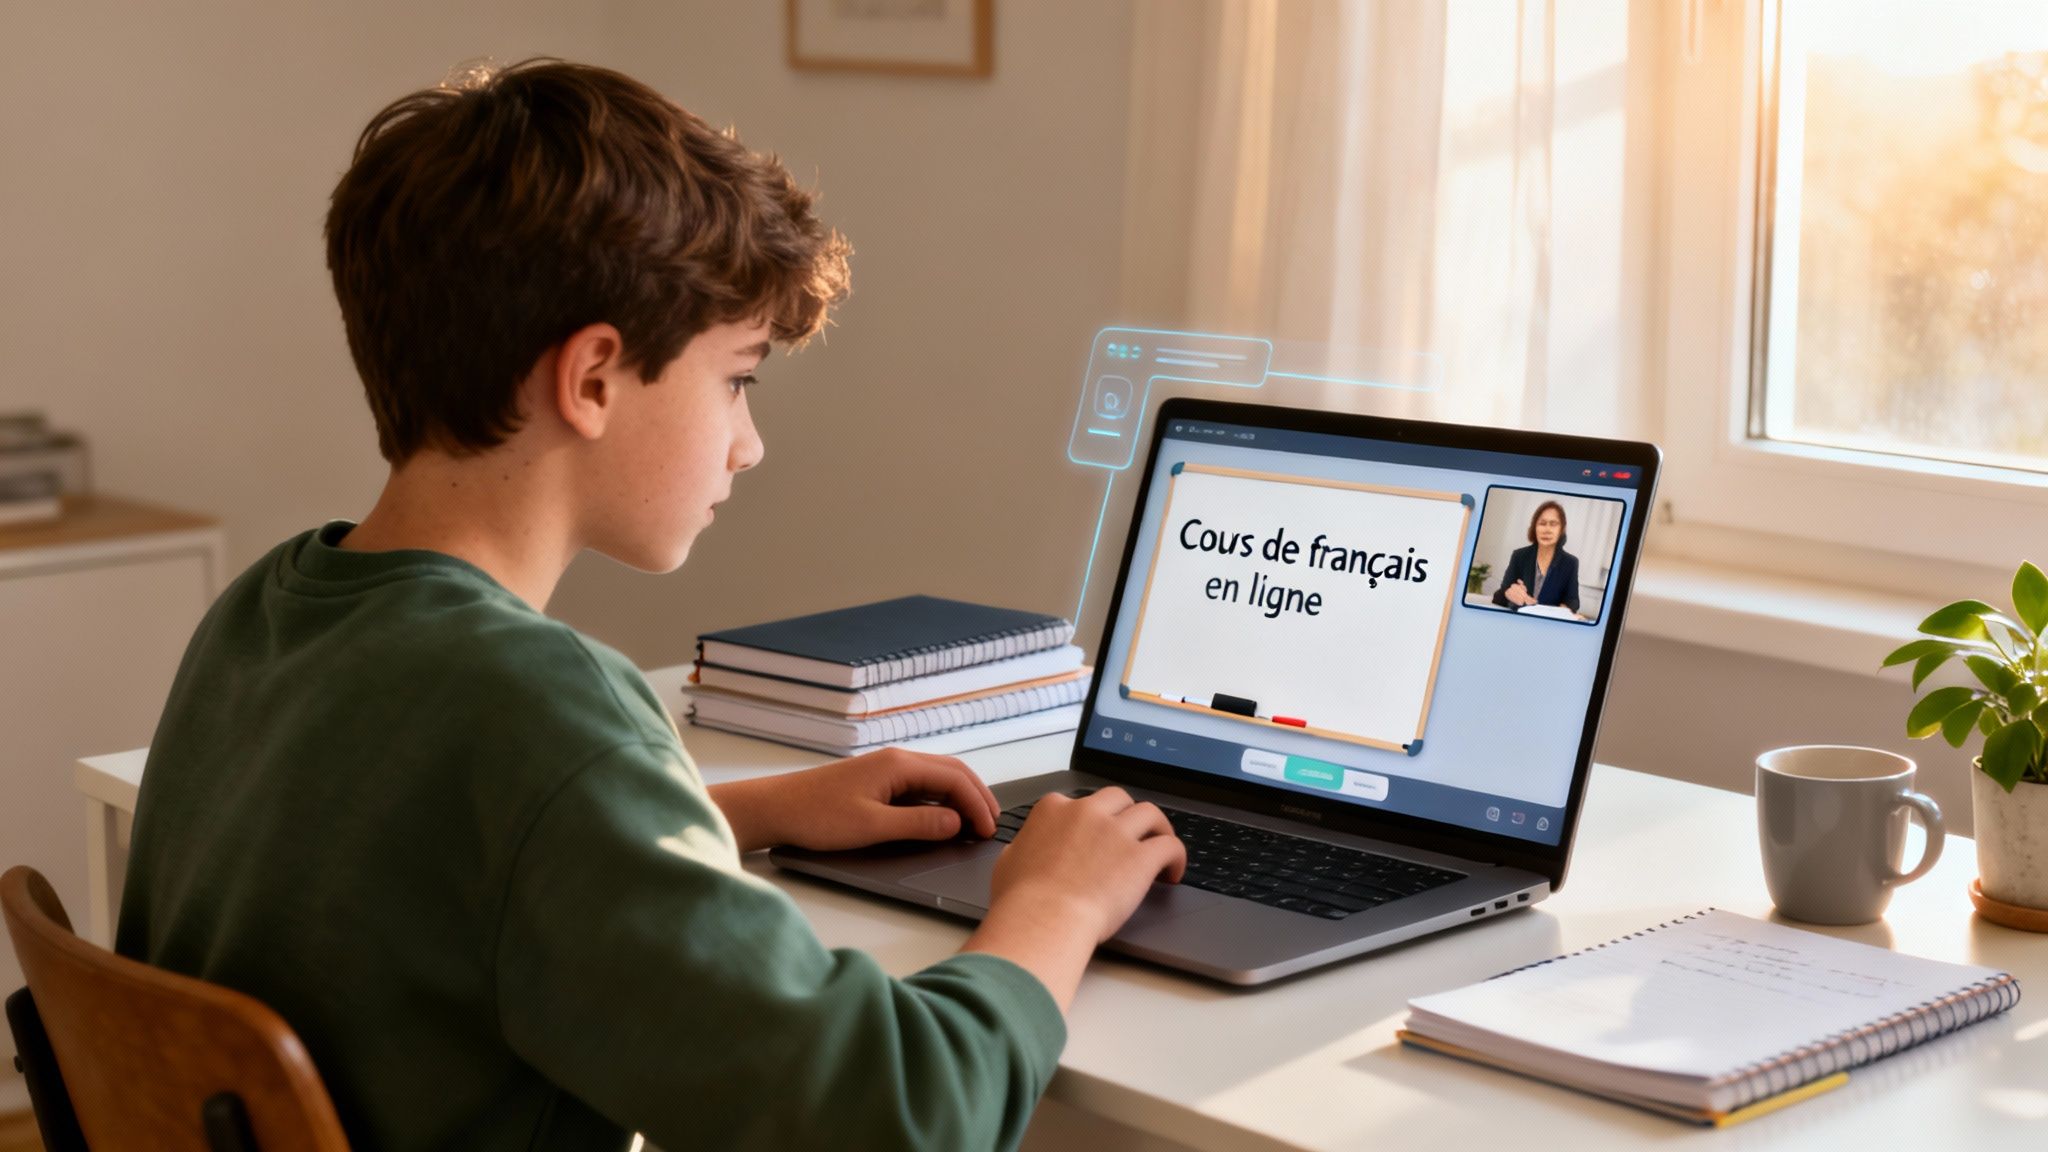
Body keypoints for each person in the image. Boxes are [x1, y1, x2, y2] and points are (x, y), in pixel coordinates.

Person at [115, 59, 1185, 1152]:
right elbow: (897, 1120)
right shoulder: (536, 707)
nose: (747, 443)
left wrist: (742, 810)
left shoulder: (269, 610)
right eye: (737, 379)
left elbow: (408, 864)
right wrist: (1055, 905)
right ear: (590, 380)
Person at [1490, 499, 1581, 616]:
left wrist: (1564, 610)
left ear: (1561, 529)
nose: (1547, 530)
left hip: (1548, 625)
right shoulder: (1519, 556)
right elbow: (1501, 595)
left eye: (1553, 524)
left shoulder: (1570, 562)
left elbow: (1573, 601)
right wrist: (1509, 593)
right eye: (1542, 523)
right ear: (1535, 527)